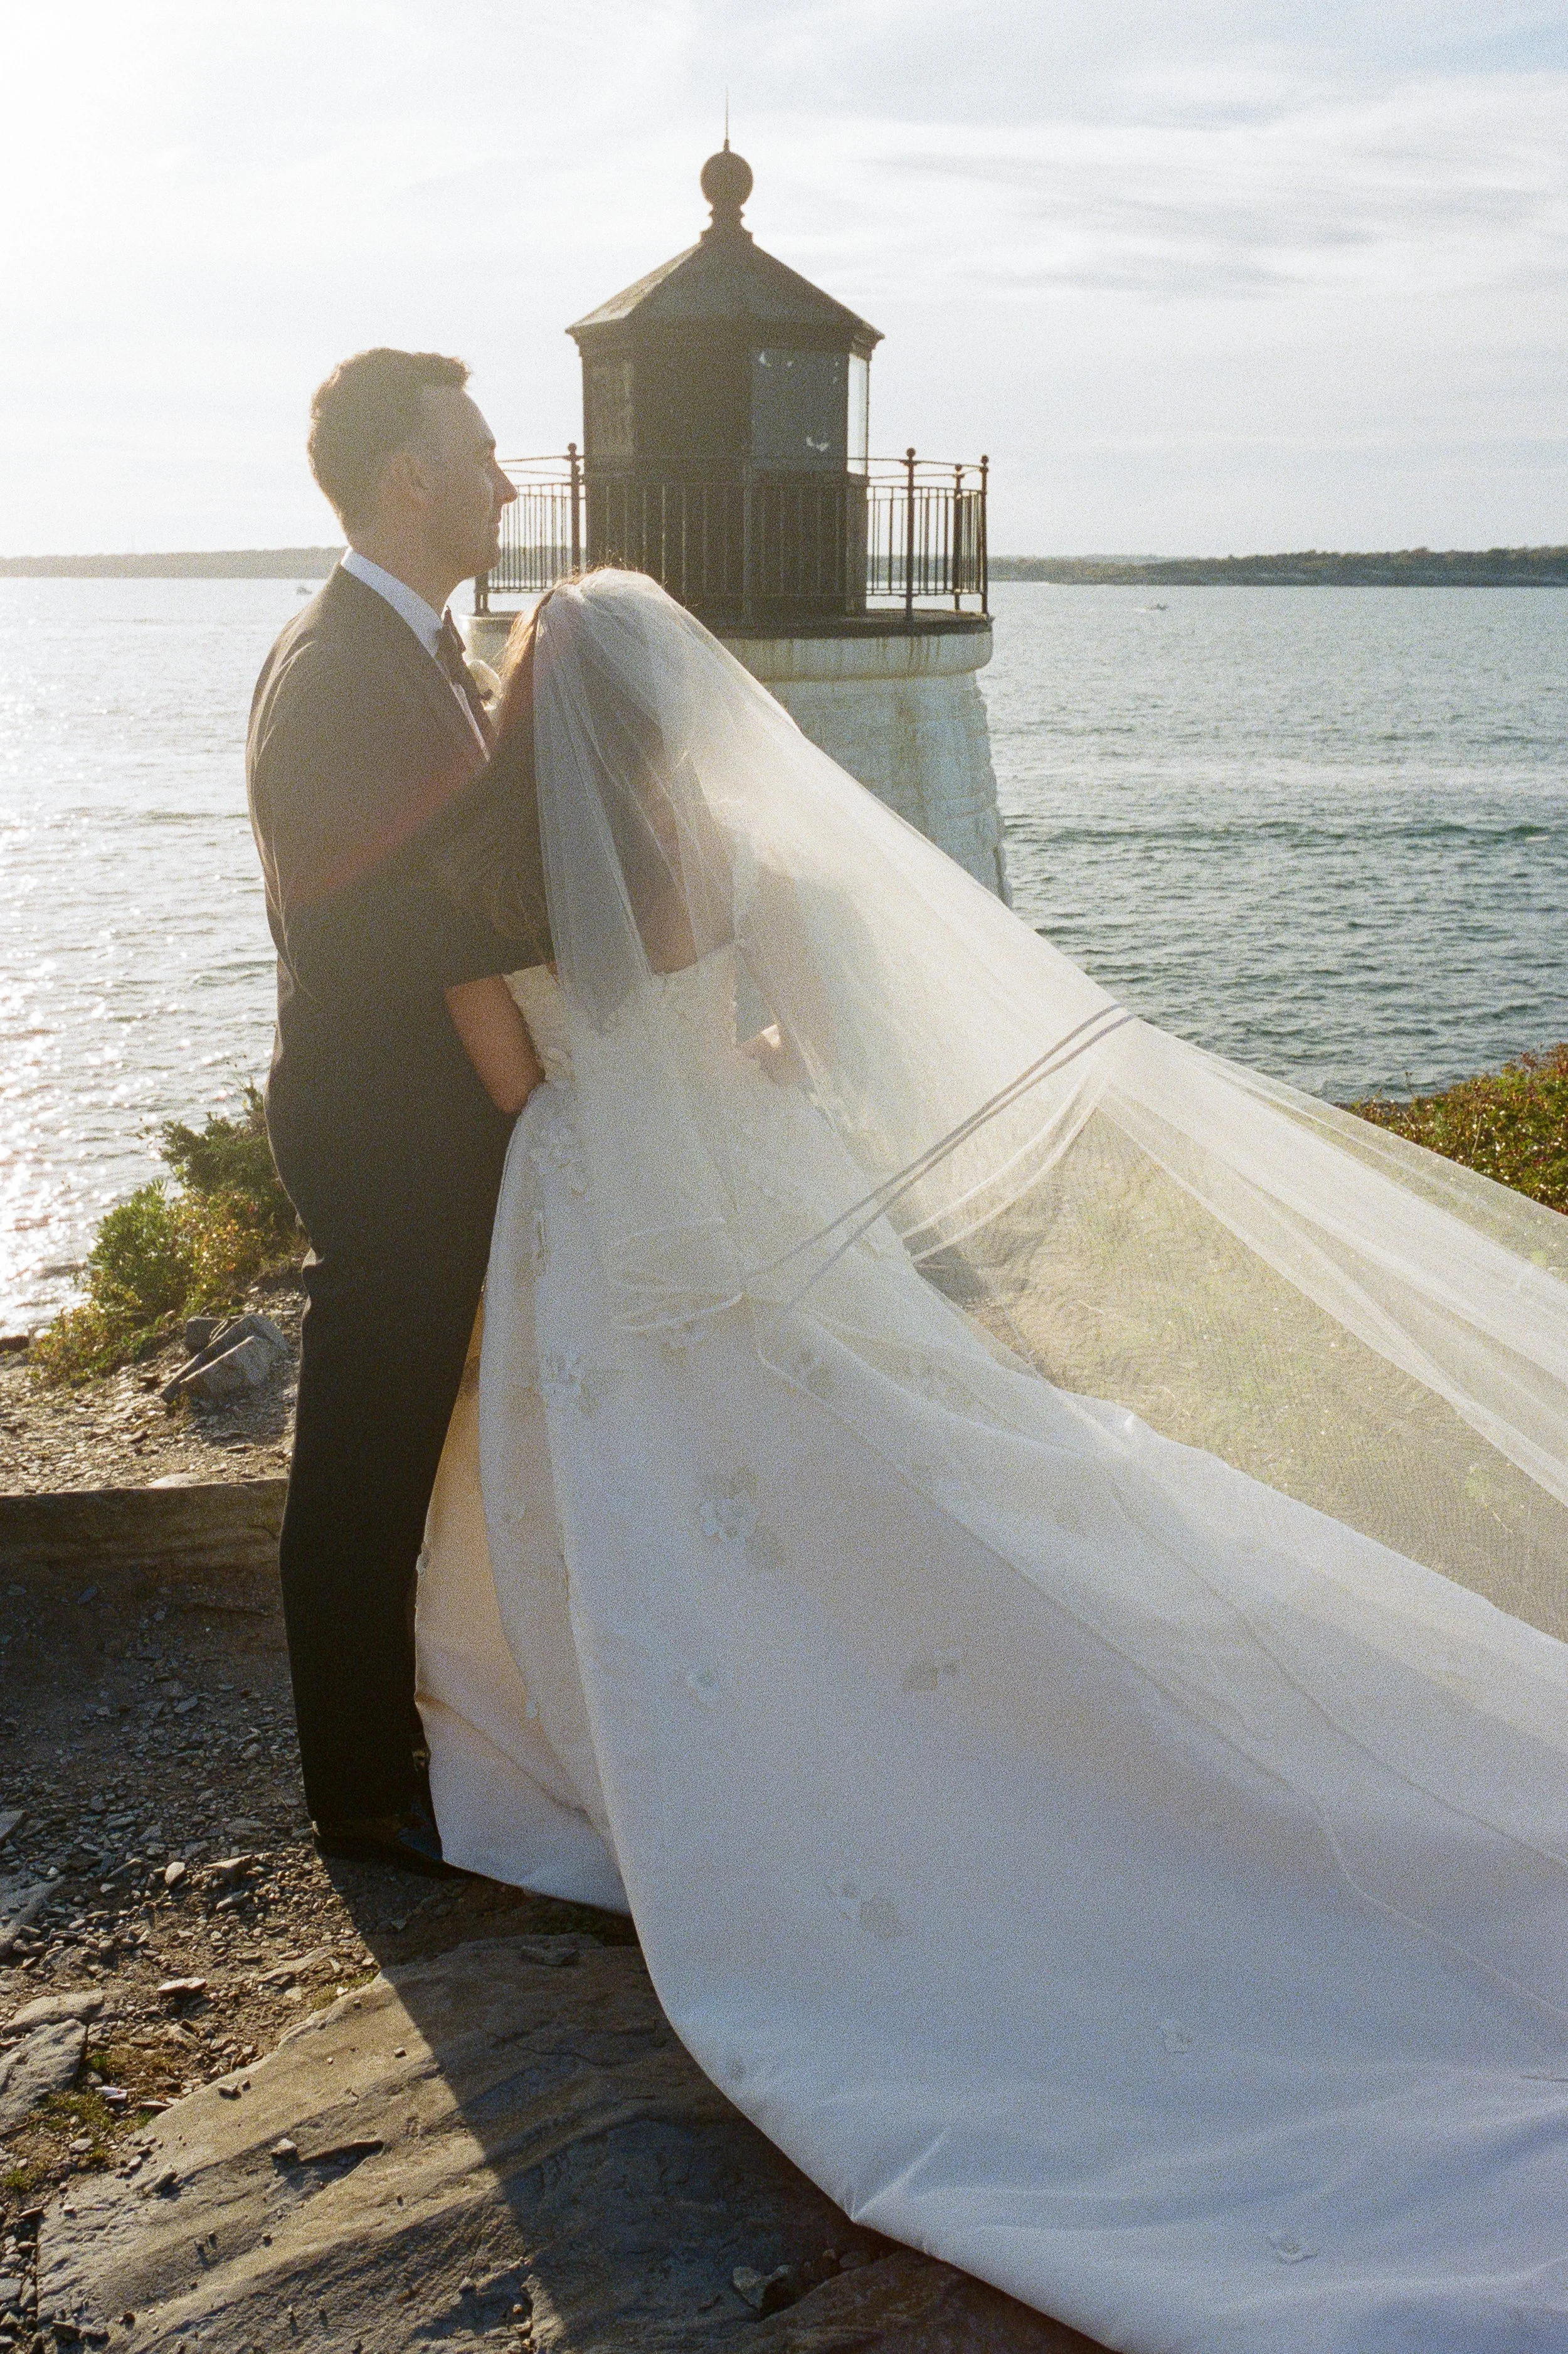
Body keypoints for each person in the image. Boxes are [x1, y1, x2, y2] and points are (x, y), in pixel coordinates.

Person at [412, 566, 1568, 2351]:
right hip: (751, 1180)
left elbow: (508, 1081)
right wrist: (742, 1085)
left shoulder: (468, 870)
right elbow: (804, 1042)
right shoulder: (729, 858)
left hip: (584, 1214)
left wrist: (612, 1096)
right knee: (900, 1467)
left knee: (643, 1510)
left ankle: (653, 1760)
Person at [246, 348, 548, 1872]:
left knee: (422, 1437)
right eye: (481, 452)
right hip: (389, 1129)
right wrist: (523, 1060)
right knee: (366, 1446)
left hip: (436, 1116)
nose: (507, 479)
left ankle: (429, 1730)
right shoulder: (340, 666)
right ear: (406, 477)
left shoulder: (408, 647)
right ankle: (361, 1788)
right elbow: (364, 922)